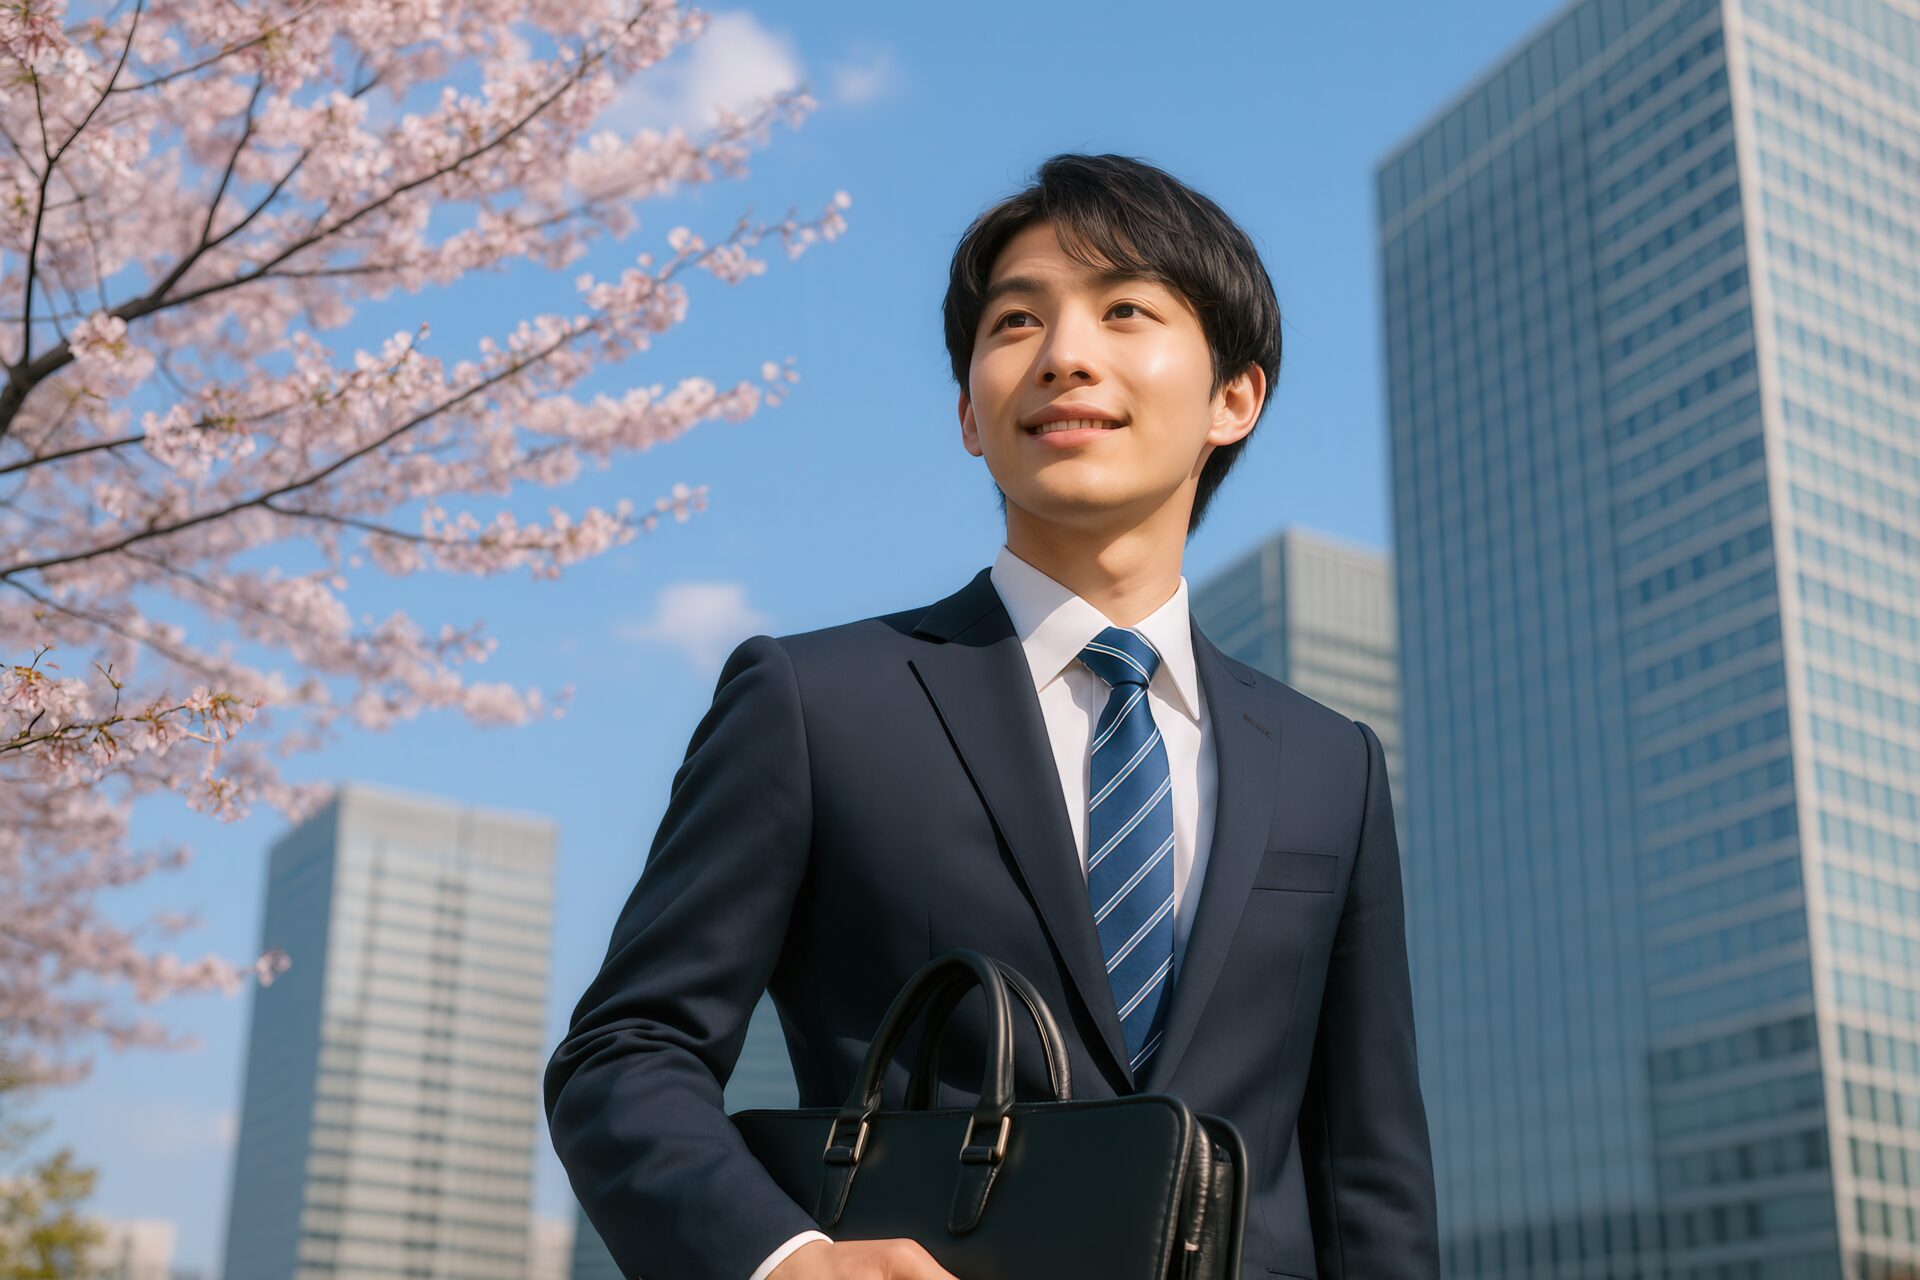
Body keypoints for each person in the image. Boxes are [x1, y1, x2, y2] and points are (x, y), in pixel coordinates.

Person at [544, 152, 1440, 1280]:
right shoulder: (816, 702)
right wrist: (788, 1259)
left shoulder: (1331, 764)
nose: (1066, 354)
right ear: (972, 412)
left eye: (1125, 309)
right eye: (1016, 322)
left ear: (1234, 397)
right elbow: (626, 1050)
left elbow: (1371, 1170)